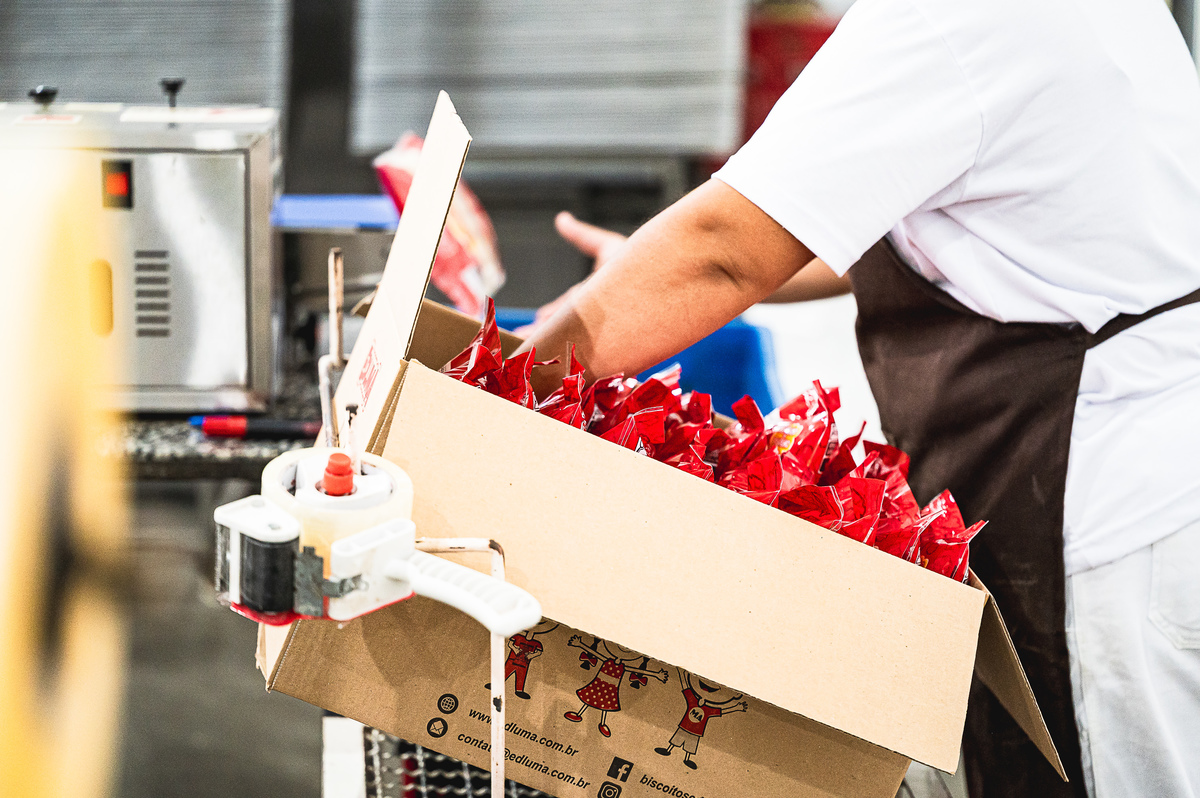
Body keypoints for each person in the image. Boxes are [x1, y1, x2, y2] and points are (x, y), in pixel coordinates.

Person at [516, 0, 1200, 796]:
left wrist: (469, 387)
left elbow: (723, 249)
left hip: (1102, 519)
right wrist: (638, 280)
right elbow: (892, 205)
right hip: (1131, 480)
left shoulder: (954, 16)